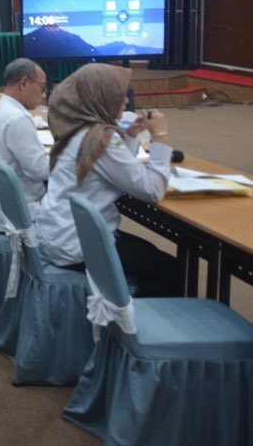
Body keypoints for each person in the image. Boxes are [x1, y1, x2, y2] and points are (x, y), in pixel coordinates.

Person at [35, 63, 181, 297]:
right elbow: (152, 190)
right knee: (168, 269)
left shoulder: (78, 129)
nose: (126, 101)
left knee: (149, 251)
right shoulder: (101, 139)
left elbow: (116, 170)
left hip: (57, 236)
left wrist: (130, 135)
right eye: (120, 95)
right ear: (101, 99)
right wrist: (160, 137)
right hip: (76, 246)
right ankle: (132, 319)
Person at [0, 58, 49, 232]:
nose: (44, 95)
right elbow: (40, 171)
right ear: (24, 83)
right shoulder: (17, 118)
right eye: (42, 87)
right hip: (16, 213)